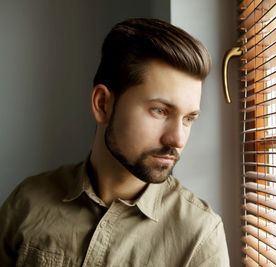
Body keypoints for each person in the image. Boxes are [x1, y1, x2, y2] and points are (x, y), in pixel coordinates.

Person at [0, 18, 230, 266]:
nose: (177, 138)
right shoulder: (27, 202)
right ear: (103, 105)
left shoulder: (200, 236)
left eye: (188, 118)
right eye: (160, 111)